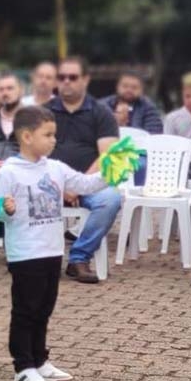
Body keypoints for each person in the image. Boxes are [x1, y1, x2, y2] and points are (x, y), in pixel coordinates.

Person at [0, 105, 106, 381]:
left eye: (54, 134)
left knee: (44, 307)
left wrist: (113, 171)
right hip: (25, 253)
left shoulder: (55, 168)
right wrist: (5, 209)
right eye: (48, 134)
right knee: (26, 309)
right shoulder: (9, 172)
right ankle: (23, 366)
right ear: (27, 136)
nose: (54, 140)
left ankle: (40, 360)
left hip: (52, 250)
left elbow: (86, 184)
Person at [48, 56, 121, 285]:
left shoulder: (102, 113)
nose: (66, 81)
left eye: (73, 77)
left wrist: (77, 186)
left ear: (85, 79)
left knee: (111, 199)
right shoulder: (43, 113)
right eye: (62, 77)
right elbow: (35, 156)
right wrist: (61, 186)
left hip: (90, 183)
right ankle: (41, 260)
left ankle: (79, 258)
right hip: (49, 183)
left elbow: (107, 156)